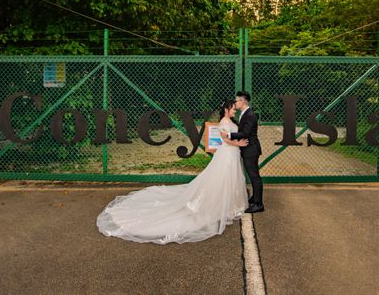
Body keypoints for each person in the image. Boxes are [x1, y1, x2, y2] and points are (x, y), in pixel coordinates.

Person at [96, 99, 249, 244]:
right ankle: (218, 204)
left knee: (229, 178)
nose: (235, 111)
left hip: (232, 154)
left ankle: (230, 204)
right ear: (226, 109)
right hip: (227, 153)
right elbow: (225, 139)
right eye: (233, 109)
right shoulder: (223, 122)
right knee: (221, 177)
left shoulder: (231, 122)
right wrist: (239, 143)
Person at [227, 91, 264, 214]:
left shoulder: (250, 115)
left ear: (242, 101)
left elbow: (246, 133)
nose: (235, 103)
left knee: (254, 176)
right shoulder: (244, 113)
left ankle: (258, 204)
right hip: (248, 149)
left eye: (236, 101)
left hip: (251, 150)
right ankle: (255, 198)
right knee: (253, 175)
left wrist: (228, 135)